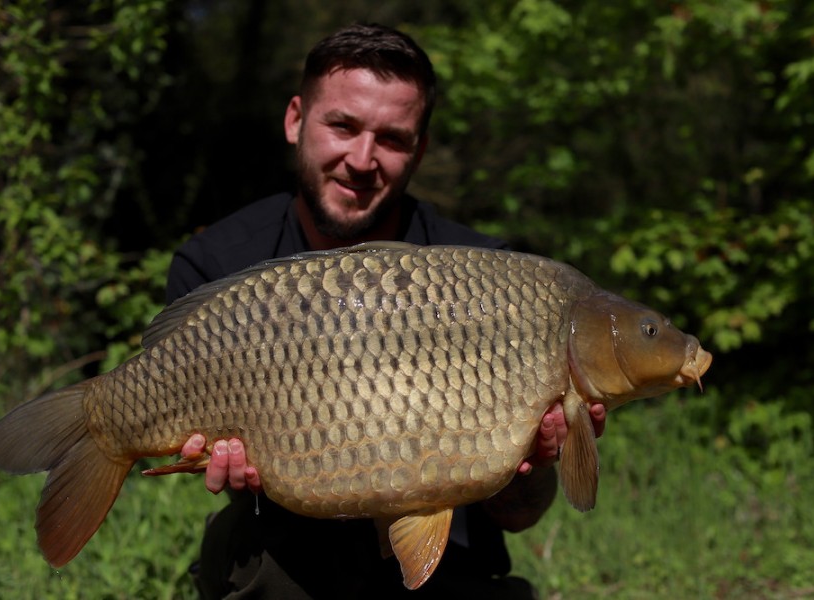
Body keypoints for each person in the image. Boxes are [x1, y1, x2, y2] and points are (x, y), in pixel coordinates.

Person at [166, 23, 606, 599]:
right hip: (284, 557)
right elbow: (236, 475)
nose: (362, 159)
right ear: (296, 120)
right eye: (342, 126)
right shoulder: (218, 265)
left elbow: (520, 516)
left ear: (419, 150)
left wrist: (537, 460)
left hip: (448, 563)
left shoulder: (497, 280)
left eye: (393, 139)